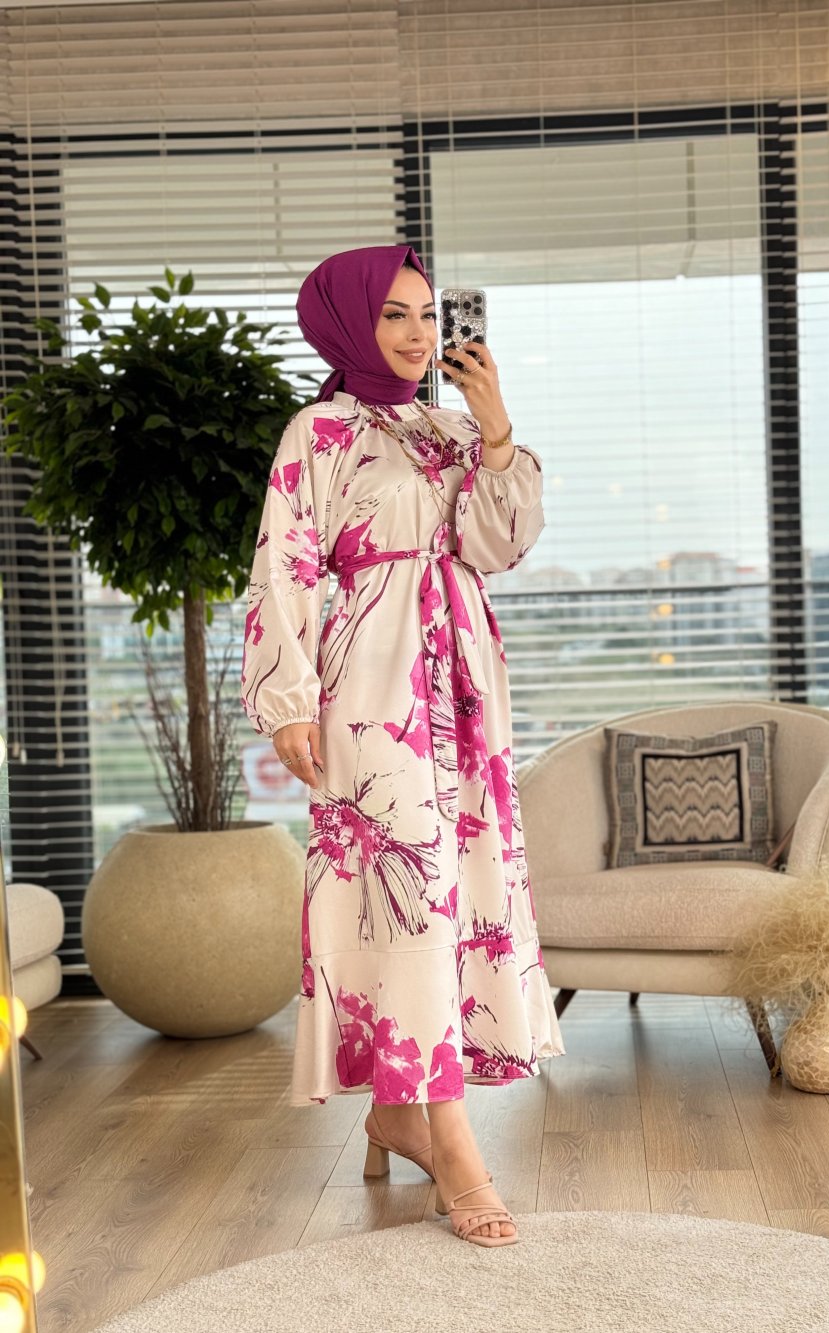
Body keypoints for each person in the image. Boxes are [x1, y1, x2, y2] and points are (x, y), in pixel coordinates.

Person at [241, 244, 565, 1248]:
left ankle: (399, 1114)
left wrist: (496, 428)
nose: (419, 334)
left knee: (460, 892)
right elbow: (283, 566)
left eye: (428, 314)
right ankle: (452, 1142)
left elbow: (497, 546)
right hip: (370, 686)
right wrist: (288, 700)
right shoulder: (317, 433)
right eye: (394, 315)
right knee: (401, 890)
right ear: (346, 323)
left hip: (464, 684)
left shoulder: (454, 429)